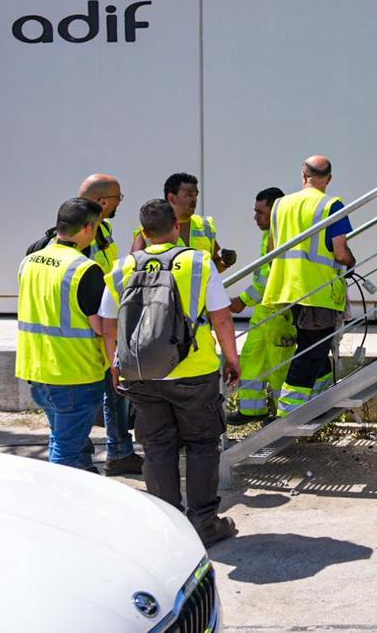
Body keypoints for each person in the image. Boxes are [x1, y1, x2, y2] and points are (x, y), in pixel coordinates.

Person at [100, 199, 241, 548]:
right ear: (176, 227)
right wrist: (231, 358)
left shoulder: (122, 267)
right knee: (201, 445)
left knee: (157, 446)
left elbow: (106, 325)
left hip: (141, 373)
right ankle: (204, 524)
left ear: (143, 234)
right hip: (194, 371)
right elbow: (222, 318)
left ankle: (169, 527)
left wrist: (115, 364)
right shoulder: (196, 262)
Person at [16, 198, 108, 472]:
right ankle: (58, 508)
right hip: (74, 374)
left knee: (66, 443)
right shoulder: (84, 269)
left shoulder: (29, 261)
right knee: (65, 456)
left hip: (38, 372)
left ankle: (75, 497)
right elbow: (101, 327)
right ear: (89, 228)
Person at [261, 156, 355, 417]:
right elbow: (339, 252)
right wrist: (351, 261)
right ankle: (288, 413)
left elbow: (271, 249)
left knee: (313, 345)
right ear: (329, 178)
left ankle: (322, 398)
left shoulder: (280, 205)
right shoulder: (331, 205)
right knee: (311, 351)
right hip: (317, 290)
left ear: (303, 176)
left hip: (286, 289)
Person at [77, 173, 141, 476]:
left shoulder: (101, 231)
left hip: (106, 323)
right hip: (92, 331)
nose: (120, 203)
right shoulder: (82, 237)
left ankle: (119, 450)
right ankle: (88, 456)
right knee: (94, 396)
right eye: (118, 198)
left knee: (114, 391)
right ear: (103, 202)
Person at [226, 187, 296, 425]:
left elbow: (268, 280)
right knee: (251, 359)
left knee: (279, 366)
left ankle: (283, 415)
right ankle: (251, 410)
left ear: (275, 212)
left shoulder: (283, 238)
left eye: (260, 213)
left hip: (279, 312)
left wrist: (242, 300)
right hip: (265, 311)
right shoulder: (270, 236)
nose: (256, 218)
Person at [131, 172, 234, 272]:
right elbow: (133, 268)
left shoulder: (205, 225)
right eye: (189, 195)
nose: (194, 200)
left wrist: (225, 262)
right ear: (172, 198)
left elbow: (214, 265)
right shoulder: (151, 228)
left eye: (196, 195)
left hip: (199, 290)